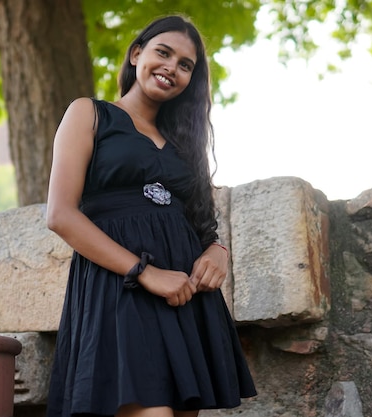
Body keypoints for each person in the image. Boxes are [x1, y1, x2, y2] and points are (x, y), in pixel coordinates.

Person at [45, 14, 257, 417]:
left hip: (184, 297)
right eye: (164, 53)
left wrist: (218, 252)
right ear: (136, 53)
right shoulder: (89, 114)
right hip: (121, 290)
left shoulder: (184, 144)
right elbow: (60, 215)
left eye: (185, 65)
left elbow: (203, 225)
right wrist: (145, 273)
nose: (171, 68)